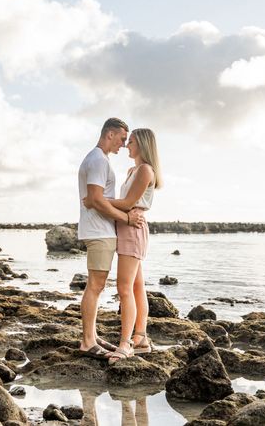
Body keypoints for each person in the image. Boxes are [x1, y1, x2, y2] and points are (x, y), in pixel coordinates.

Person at [84, 128, 163, 364]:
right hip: (126, 228)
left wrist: (97, 201)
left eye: (131, 142)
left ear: (142, 144)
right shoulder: (132, 170)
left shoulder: (146, 170)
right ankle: (141, 338)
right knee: (137, 287)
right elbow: (126, 204)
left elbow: (128, 203)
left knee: (124, 288)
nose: (127, 145)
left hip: (133, 228)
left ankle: (125, 344)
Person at [77, 118, 145, 358]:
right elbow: (95, 199)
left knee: (96, 285)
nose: (123, 144)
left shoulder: (99, 160)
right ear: (109, 135)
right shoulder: (97, 160)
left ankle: (92, 337)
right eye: (121, 139)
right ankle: (87, 342)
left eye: (127, 141)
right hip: (98, 232)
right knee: (95, 286)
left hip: (101, 231)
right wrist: (126, 219)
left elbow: (97, 199)